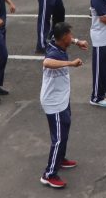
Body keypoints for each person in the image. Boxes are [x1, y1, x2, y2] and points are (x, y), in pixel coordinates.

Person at [39, 22, 87, 189]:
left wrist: (77, 41)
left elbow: (68, 39)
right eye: (69, 35)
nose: (71, 36)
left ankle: (60, 159)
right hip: (54, 102)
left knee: (65, 129)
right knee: (58, 138)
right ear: (62, 37)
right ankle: (49, 174)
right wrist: (70, 64)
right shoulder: (53, 52)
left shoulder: (56, 41)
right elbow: (46, 63)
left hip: (62, 98)